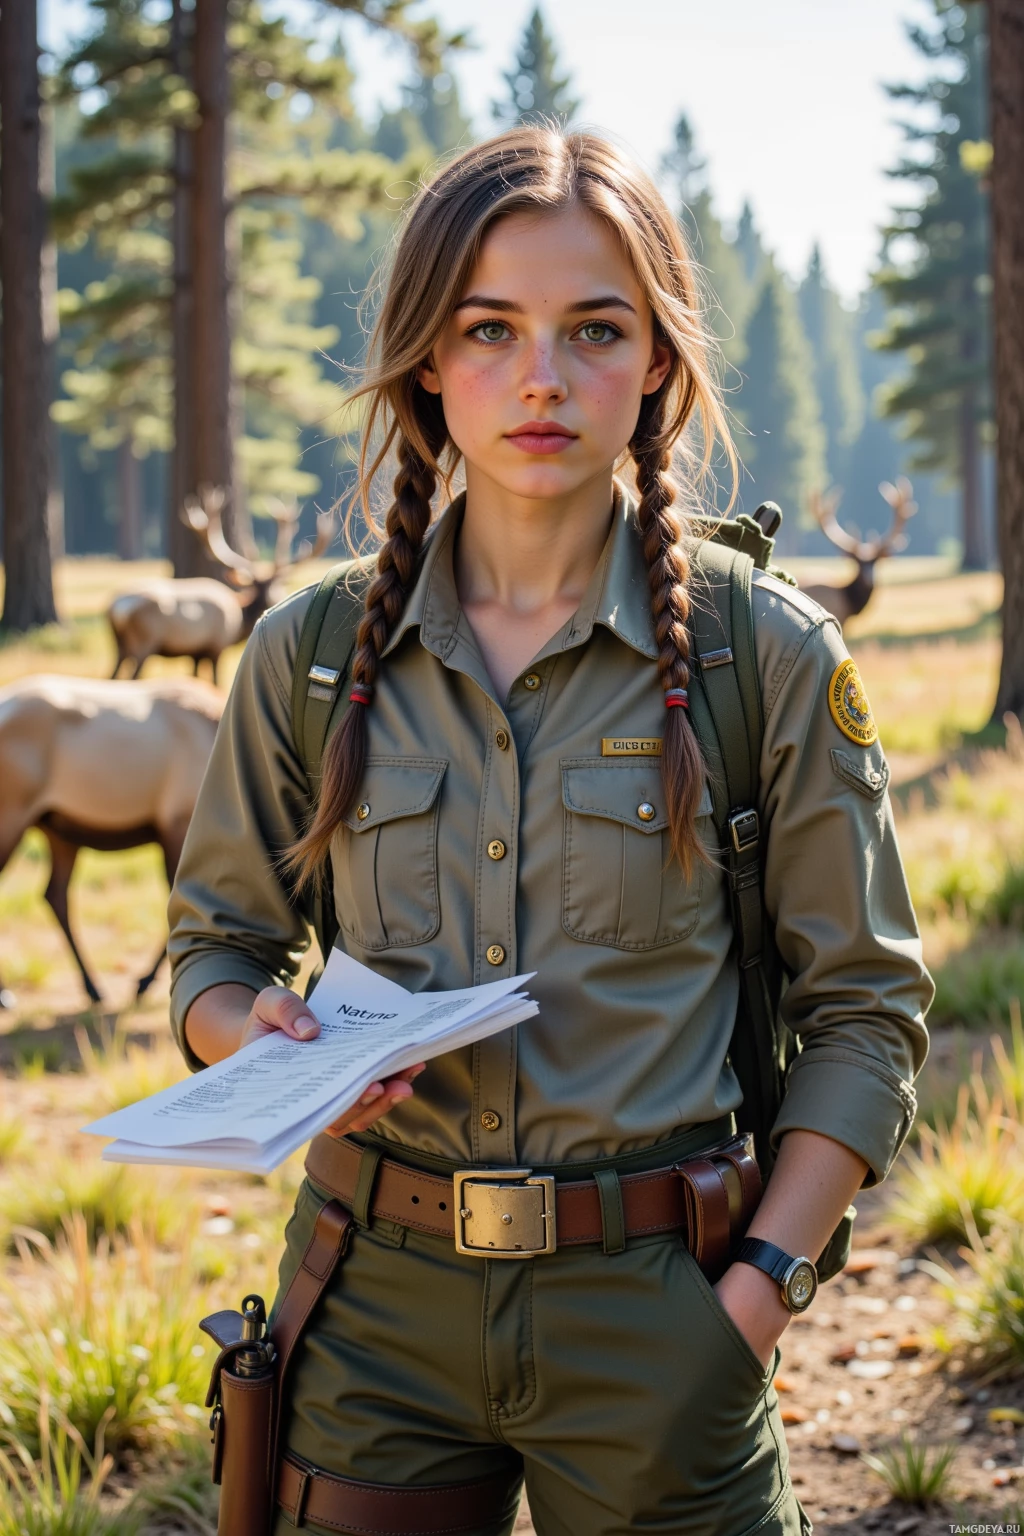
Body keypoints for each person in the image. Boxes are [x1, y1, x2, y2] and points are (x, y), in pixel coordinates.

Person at [168, 126, 931, 1536]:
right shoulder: (311, 653)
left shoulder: (762, 654)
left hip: (661, 1312)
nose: (540, 377)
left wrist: (754, 1301)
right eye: (488, 329)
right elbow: (217, 948)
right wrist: (246, 1035)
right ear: (422, 363)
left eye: (594, 328)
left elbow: (867, 1014)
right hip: (370, 1309)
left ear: (656, 360)